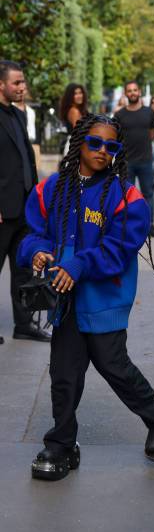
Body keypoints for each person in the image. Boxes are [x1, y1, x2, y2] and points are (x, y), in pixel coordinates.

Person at [17, 113, 154, 481]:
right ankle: (61, 445)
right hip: (64, 301)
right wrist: (39, 252)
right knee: (64, 373)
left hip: (104, 299)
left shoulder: (128, 197)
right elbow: (33, 233)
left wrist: (77, 264)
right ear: (80, 143)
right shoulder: (50, 189)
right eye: (95, 143)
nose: (102, 151)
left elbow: (118, 250)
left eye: (111, 146)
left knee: (113, 366)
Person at [0, 59, 50, 343]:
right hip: (2, 209)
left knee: (22, 270)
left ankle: (24, 324)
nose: (23, 87)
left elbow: (25, 159)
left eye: (23, 82)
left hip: (23, 208)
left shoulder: (18, 115)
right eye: (17, 82)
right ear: (1, 84)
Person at [115, 81, 154, 238]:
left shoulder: (149, 113)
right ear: (126, 94)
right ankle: (128, 226)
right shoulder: (119, 115)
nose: (133, 93)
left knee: (148, 194)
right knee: (126, 195)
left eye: (135, 90)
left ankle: (149, 225)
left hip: (146, 160)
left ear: (139, 92)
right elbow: (116, 137)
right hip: (126, 162)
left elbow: (152, 134)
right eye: (129, 90)